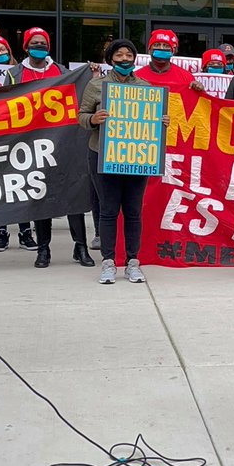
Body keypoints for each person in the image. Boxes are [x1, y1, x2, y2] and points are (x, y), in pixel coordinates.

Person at [4, 27, 94, 269]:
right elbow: (3, 107)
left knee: (73, 194)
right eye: (34, 42)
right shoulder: (14, 74)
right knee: (41, 196)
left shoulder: (62, 72)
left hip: (63, 142)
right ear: (25, 46)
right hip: (32, 144)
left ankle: (81, 247)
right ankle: (43, 249)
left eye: (43, 43)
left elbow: (80, 96)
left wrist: (90, 75)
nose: (39, 46)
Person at [79, 38, 155, 284]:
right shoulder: (96, 85)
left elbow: (150, 118)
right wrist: (93, 119)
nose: (124, 59)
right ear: (110, 59)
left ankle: (133, 262)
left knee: (133, 212)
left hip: (136, 157)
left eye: (129, 55)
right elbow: (81, 116)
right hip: (102, 155)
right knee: (108, 211)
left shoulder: (145, 86)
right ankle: (108, 262)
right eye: (119, 55)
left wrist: (160, 121)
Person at [135, 29, 205, 93]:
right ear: (149, 50)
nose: (161, 48)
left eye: (166, 45)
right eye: (157, 45)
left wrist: (200, 91)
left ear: (173, 51)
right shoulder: (136, 77)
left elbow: (198, 104)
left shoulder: (186, 78)